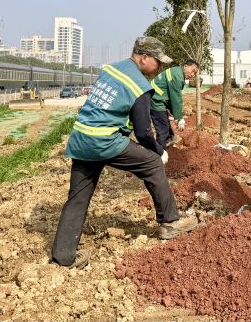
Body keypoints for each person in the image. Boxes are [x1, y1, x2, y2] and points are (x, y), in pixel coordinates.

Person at [51, 37, 198, 269]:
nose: (159, 67)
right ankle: (170, 222)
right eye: (157, 62)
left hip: (81, 138)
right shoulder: (139, 85)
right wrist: (159, 151)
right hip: (104, 141)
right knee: (151, 163)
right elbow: (142, 132)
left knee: (77, 197)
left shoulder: (111, 69)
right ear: (144, 58)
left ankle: (63, 257)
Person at [150, 60, 200, 150]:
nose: (193, 74)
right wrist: (180, 118)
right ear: (185, 66)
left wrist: (171, 111)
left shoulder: (177, 72)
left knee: (166, 127)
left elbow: (170, 94)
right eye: (192, 71)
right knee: (163, 131)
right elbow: (175, 98)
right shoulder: (177, 76)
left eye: (195, 73)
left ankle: (169, 141)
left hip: (157, 97)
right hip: (155, 100)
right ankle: (159, 155)